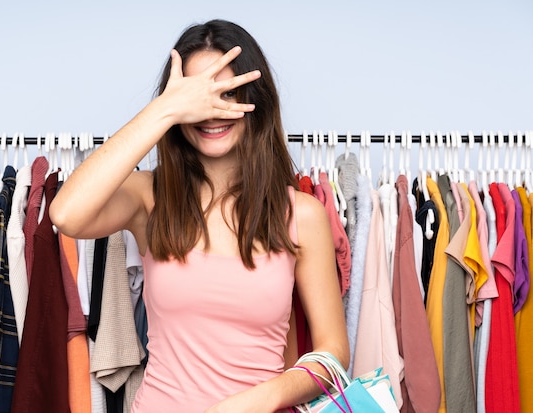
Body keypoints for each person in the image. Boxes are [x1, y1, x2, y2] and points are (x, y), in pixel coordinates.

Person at [50, 19, 349, 413]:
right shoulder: (149, 197)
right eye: (198, 98)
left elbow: (334, 353)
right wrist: (165, 109)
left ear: (255, 100)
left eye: (227, 94)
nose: (211, 112)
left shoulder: (302, 215)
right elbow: (66, 214)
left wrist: (263, 397)